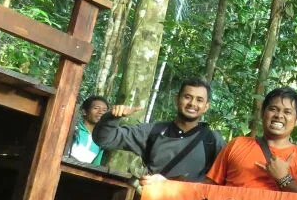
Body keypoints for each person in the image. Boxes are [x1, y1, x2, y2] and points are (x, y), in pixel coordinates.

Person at [93, 78, 224, 182]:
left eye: (199, 100)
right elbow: (104, 139)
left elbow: (225, 179)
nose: (192, 103)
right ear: (177, 99)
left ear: (206, 106)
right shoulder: (152, 132)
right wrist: (111, 118)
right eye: (187, 97)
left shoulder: (213, 141)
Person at [203, 87, 297, 193]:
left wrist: (284, 179)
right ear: (262, 113)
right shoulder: (236, 144)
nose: (279, 115)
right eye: (273, 109)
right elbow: (208, 189)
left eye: (287, 112)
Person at [47, 94, 109, 200]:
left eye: (104, 110)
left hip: (77, 191)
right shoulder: (72, 128)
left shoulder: (101, 140)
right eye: (96, 108)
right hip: (58, 185)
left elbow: (94, 171)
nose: (100, 112)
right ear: (84, 112)